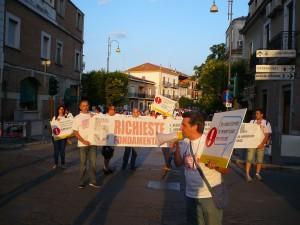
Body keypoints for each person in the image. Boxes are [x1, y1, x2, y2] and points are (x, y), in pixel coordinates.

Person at [173, 111, 226, 225]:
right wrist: (176, 148)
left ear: (195, 127)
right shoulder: (185, 142)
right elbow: (178, 163)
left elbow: (225, 169)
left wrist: (215, 165)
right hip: (190, 195)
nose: (181, 127)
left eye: (184, 125)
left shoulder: (210, 142)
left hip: (209, 196)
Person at [72, 100, 100, 189]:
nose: (85, 107)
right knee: (83, 165)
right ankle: (81, 182)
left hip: (93, 143)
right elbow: (75, 132)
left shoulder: (93, 115)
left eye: (87, 105)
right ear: (80, 107)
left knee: (93, 163)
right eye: (83, 105)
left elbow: (104, 120)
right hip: (82, 145)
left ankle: (93, 181)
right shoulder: (77, 118)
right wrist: (83, 141)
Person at [245, 108, 272, 182]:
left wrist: (262, 144)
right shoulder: (252, 121)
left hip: (261, 144)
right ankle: (247, 174)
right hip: (252, 144)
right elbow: (248, 131)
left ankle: (257, 174)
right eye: (255, 113)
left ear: (262, 114)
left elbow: (267, 135)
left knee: (259, 160)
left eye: (257, 113)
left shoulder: (266, 123)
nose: (256, 115)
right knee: (249, 159)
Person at [51, 105, 67, 169]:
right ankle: (56, 164)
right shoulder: (55, 117)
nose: (61, 110)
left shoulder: (65, 118)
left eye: (62, 109)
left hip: (63, 137)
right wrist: (56, 121)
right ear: (58, 110)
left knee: (62, 151)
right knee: (56, 151)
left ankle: (63, 164)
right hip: (56, 137)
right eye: (60, 109)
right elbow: (52, 126)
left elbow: (67, 127)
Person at [101, 104, 116, 175]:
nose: (114, 111)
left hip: (113, 139)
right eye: (113, 109)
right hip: (106, 139)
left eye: (114, 109)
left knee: (110, 154)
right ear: (109, 110)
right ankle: (105, 168)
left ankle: (107, 167)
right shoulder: (104, 117)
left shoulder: (116, 116)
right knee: (107, 154)